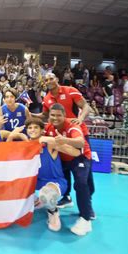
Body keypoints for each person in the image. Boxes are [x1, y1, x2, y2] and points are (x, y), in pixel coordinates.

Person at [8, 118, 81, 232]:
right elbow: (6, 154)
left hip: (54, 181)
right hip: (35, 182)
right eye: (30, 128)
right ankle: (37, 200)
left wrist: (50, 139)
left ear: (42, 130)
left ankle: (53, 211)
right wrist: (12, 135)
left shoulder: (49, 144)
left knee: (47, 195)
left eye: (36, 127)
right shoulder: (26, 146)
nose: (32, 130)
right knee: (10, 187)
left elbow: (76, 152)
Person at [37, 73, 91, 209]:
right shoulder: (47, 98)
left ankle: (87, 197)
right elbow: (44, 115)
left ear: (57, 79)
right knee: (63, 165)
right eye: (46, 79)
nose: (49, 81)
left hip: (76, 133)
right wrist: (29, 114)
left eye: (51, 78)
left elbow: (85, 106)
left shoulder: (70, 90)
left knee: (83, 168)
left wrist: (80, 119)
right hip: (58, 134)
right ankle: (66, 197)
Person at [44, 103, 94, 236]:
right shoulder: (48, 127)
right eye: (52, 115)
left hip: (80, 158)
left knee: (81, 184)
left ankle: (86, 218)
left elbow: (80, 142)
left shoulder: (72, 125)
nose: (55, 118)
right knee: (57, 183)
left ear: (64, 115)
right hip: (63, 160)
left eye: (58, 115)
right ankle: (56, 207)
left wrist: (64, 139)